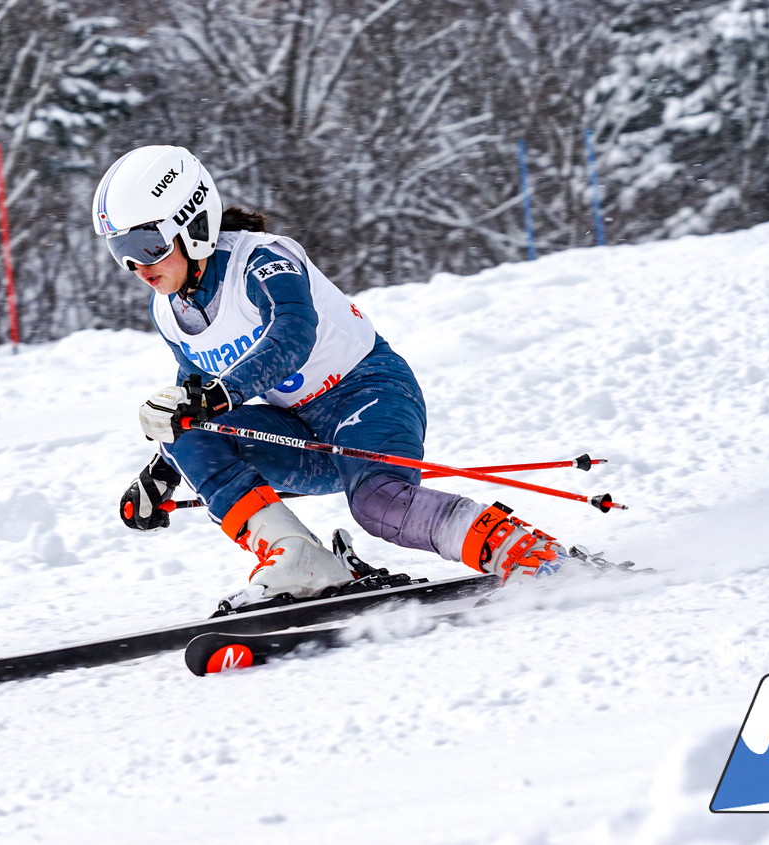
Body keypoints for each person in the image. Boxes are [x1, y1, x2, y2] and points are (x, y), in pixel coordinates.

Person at [95, 144, 564, 606]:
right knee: (189, 432)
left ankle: (524, 552)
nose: (139, 266)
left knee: (379, 506)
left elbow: (292, 334)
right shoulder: (169, 311)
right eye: (123, 252)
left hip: (369, 393)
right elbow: (194, 395)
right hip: (302, 434)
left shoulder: (261, 260)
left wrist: (221, 395)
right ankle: (298, 558)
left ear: (191, 224)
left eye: (147, 245)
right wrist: (163, 471)